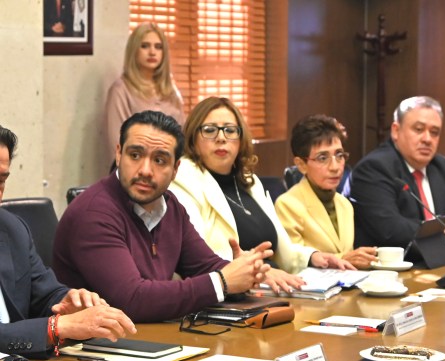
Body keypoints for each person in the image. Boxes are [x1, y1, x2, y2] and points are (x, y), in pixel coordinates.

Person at [53, 110, 272, 323]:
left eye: (159, 160)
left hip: (148, 335)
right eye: (135, 155)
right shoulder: (94, 213)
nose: (145, 170)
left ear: (176, 169)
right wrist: (222, 281)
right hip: (92, 341)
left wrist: (245, 271)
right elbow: (132, 299)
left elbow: (204, 266)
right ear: (118, 154)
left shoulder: (170, 205)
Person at [0, 125, 136, 361]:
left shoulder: (11, 228)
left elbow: (45, 294)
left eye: (1, 180)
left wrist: (69, 305)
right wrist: (56, 328)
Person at [169, 97, 354, 294]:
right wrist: (256, 271)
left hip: (270, 291)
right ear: (193, 138)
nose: (221, 138)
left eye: (230, 130)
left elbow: (283, 251)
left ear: (241, 139)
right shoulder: (184, 180)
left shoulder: (250, 181)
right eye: (209, 130)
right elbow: (195, 256)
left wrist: (313, 257)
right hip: (226, 297)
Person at [350, 96, 445, 259]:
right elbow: (390, 230)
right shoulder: (374, 168)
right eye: (418, 129)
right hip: (392, 268)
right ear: (396, 131)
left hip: (441, 264)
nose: (427, 139)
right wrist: (442, 231)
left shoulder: (444, 168)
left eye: (434, 132)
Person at [275, 115, 377, 269]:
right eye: (323, 158)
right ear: (301, 164)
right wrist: (344, 259)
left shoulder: (344, 204)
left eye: (339, 155)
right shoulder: (287, 205)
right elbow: (291, 264)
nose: (335, 167)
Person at [105, 23, 185, 163]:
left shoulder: (171, 91)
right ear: (134, 50)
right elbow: (118, 143)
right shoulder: (120, 90)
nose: (152, 52)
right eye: (145, 46)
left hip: (171, 167)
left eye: (158, 47)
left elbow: (182, 137)